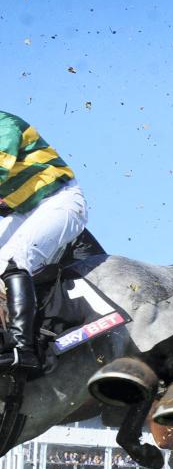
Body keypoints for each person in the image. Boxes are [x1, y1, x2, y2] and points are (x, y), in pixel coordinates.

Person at [0, 111, 88, 373]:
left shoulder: (5, 124)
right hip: (23, 211)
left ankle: (21, 348)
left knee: (13, 258)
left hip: (59, 201)